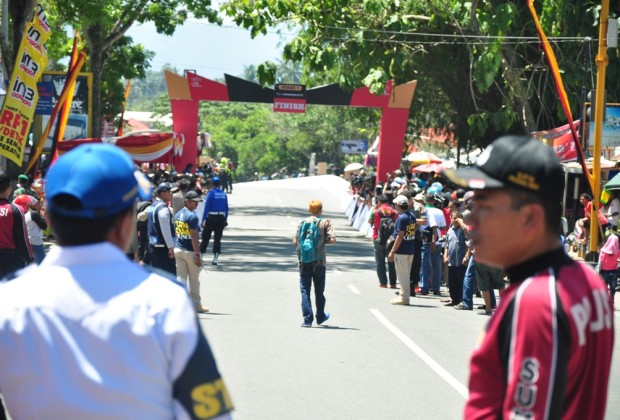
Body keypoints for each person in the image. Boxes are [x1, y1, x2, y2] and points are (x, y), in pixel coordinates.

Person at [0, 144, 233, 419]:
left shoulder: (9, 301)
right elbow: (210, 413)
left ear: (48, 217)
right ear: (126, 221)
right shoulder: (165, 302)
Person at [445, 135, 614, 419]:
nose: (471, 220)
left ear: (529, 218)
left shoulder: (537, 301)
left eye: (485, 206)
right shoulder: (587, 283)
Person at [293, 199, 336, 327]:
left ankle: (307, 320)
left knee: (305, 291)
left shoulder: (301, 223)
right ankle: (320, 316)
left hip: (304, 262)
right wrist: (321, 243)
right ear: (321, 210)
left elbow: (295, 241)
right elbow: (333, 240)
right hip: (319, 262)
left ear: (309, 211)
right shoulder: (326, 223)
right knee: (319, 291)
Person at [174, 190, 209, 313]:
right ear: (187, 201)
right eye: (194, 202)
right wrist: (197, 255)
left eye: (197, 202)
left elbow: (177, 233)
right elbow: (194, 237)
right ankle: (196, 305)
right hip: (190, 251)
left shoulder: (178, 214)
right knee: (194, 280)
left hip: (178, 249)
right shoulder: (192, 217)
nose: (196, 204)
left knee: (180, 278)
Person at [0, 171, 33, 278]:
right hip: (11, 260)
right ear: (9, 188)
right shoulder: (16, 209)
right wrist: (30, 259)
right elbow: (22, 238)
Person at [387, 195, 417, 305]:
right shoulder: (412, 216)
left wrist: (392, 251)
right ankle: (403, 294)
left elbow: (400, 236)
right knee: (406, 274)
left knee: (402, 275)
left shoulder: (401, 218)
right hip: (410, 249)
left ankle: (404, 298)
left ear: (399, 206)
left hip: (401, 250)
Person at [368, 194, 397, 288]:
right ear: (388, 202)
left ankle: (383, 283)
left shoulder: (376, 211)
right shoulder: (394, 211)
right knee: (392, 261)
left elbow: (369, 221)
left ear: (379, 202)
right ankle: (393, 283)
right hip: (392, 240)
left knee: (380, 261)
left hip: (378, 238)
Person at [147, 182, 177, 275]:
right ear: (163, 193)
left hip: (153, 246)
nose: (172, 194)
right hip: (163, 249)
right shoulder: (163, 208)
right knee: (169, 277)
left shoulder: (153, 205)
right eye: (170, 192)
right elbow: (165, 229)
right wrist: (171, 247)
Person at [200, 176, 229, 265]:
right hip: (220, 217)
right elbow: (226, 208)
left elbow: (207, 207)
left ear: (212, 184)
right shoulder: (224, 194)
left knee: (205, 237)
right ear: (220, 184)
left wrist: (203, 219)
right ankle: (215, 258)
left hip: (211, 217)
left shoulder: (211, 194)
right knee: (217, 238)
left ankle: (201, 255)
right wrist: (225, 218)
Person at [442, 210, 467, 307]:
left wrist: (466, 256)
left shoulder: (462, 230)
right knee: (452, 282)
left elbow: (467, 243)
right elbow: (447, 245)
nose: (455, 220)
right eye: (454, 218)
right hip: (451, 261)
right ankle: (454, 299)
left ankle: (461, 299)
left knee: (461, 281)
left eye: (457, 218)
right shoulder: (450, 231)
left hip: (460, 261)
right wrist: (445, 256)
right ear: (450, 219)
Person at [597, 232, 620, 305]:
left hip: (604, 272)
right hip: (614, 273)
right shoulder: (618, 251)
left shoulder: (602, 251)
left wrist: (597, 272)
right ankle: (611, 299)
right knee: (613, 288)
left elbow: (600, 263)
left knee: (603, 287)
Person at [24, 196, 47, 264]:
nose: (40, 205)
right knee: (42, 263)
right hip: (36, 242)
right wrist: (43, 216)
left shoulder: (27, 213)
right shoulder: (34, 214)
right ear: (33, 204)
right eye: (38, 203)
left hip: (29, 241)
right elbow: (44, 226)